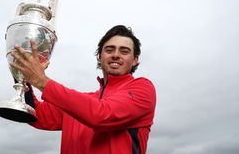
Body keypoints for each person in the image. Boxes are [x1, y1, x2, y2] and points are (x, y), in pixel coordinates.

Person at [10, 25, 156, 154]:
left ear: (135, 59)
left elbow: (101, 115)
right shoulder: (78, 103)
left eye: (124, 51)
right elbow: (36, 115)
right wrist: (22, 72)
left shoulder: (143, 88)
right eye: (109, 50)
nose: (116, 55)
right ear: (100, 56)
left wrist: (42, 81)